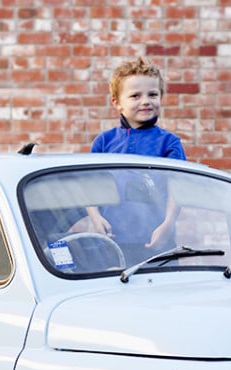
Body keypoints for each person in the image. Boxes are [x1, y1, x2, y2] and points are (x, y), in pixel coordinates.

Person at [85, 57, 185, 257]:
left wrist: (167, 225)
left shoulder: (169, 143)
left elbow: (179, 189)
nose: (146, 101)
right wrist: (95, 218)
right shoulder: (104, 142)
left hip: (156, 242)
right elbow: (90, 186)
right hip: (110, 242)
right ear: (117, 103)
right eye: (135, 96)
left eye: (153, 94)